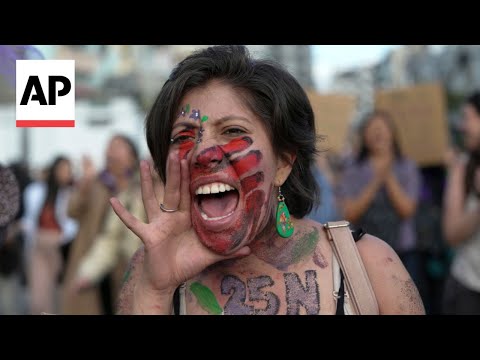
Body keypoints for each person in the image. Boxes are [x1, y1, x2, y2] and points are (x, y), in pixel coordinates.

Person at [113, 45, 424, 315]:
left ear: (283, 164)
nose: (203, 153)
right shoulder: (150, 272)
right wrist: (155, 292)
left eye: (233, 131)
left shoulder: (371, 264)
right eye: (183, 136)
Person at [336, 110, 426, 302]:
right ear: (364, 136)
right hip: (363, 251)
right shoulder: (352, 167)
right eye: (372, 129)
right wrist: (376, 179)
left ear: (393, 134)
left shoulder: (407, 166)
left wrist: (388, 175)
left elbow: (407, 210)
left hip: (403, 250)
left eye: (383, 128)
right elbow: (349, 212)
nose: (378, 133)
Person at [61, 134, 139, 315]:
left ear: (132, 156)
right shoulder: (96, 182)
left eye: (118, 146)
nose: (110, 150)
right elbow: (71, 211)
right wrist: (84, 184)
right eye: (109, 146)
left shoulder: (140, 186)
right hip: (91, 259)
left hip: (124, 266)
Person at [22, 156, 78, 314]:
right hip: (39, 244)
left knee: (58, 292)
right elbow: (30, 218)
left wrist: (62, 237)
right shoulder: (36, 191)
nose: (65, 173)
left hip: (59, 245)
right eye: (62, 169)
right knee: (39, 294)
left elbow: (73, 224)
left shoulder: (70, 193)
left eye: (68, 170)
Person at [442, 91, 480, 314]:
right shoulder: (463, 167)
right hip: (469, 286)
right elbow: (452, 234)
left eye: (467, 118)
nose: (462, 127)